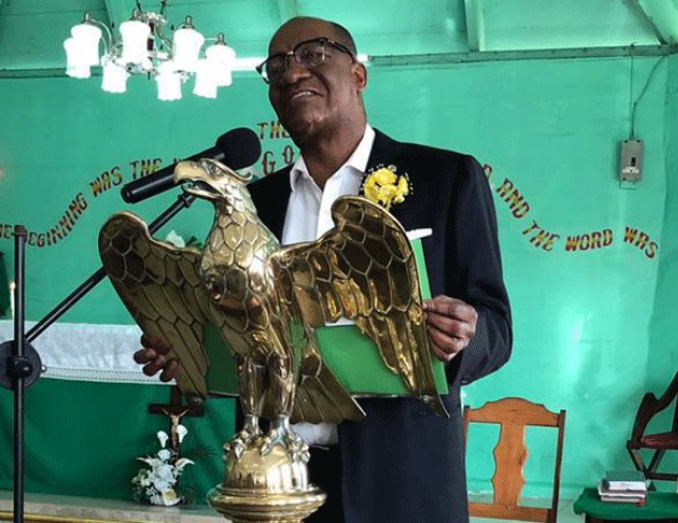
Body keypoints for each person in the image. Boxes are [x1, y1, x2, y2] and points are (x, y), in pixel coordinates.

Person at [136, 16, 512, 523]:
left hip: (400, 485)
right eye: (276, 66)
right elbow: (245, 331)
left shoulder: (444, 179)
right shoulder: (254, 203)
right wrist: (189, 348)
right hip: (277, 484)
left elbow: (497, 326)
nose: (291, 73)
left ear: (358, 74)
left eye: (313, 54)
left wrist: (466, 333)